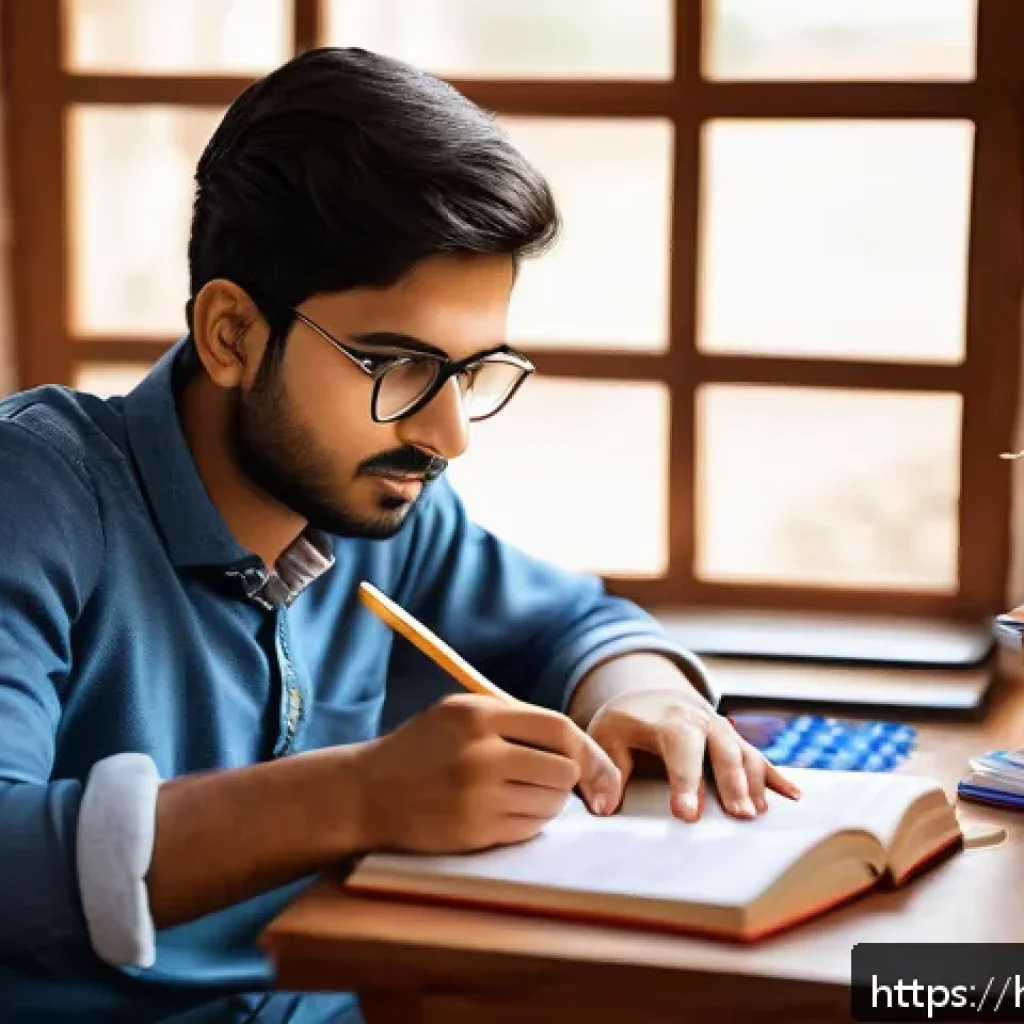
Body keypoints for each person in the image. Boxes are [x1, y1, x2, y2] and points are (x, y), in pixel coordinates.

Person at [0, 47, 799, 1024]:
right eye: (394, 363)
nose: (446, 433)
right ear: (231, 334)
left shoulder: (377, 504)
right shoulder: (35, 496)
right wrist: (357, 796)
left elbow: (576, 625)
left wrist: (648, 702)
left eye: (472, 370)